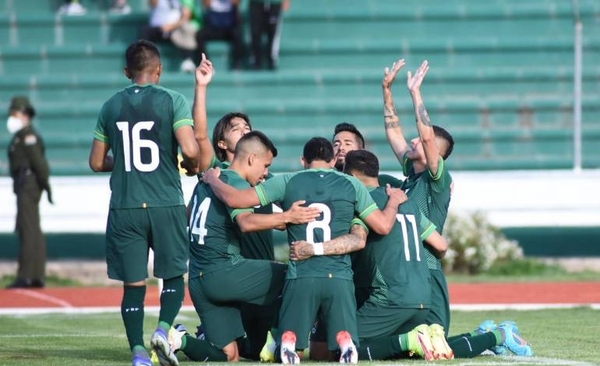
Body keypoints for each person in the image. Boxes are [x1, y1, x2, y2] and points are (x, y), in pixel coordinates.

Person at [201, 137, 408, 364]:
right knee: (341, 332)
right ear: (332, 161)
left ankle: (287, 339)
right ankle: (344, 339)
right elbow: (383, 226)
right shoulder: (352, 184)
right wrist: (393, 203)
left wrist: (213, 181)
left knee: (292, 328)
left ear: (303, 160)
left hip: (301, 274)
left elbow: (236, 198)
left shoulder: (287, 181)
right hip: (338, 276)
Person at [382, 59, 533, 358]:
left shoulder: (437, 180)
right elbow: (394, 132)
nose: (412, 141)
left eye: (421, 141)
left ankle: (498, 334)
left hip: (427, 271)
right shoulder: (411, 176)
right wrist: (386, 90)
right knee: (419, 347)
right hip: (407, 274)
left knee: (437, 350)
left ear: (433, 153)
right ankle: (486, 333)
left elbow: (424, 135)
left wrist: (415, 94)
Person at [88, 39, 202, 366]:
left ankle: (138, 352)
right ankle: (163, 331)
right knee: (173, 275)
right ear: (159, 69)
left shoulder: (110, 106)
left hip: (125, 205)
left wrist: (123, 161)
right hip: (165, 201)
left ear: (127, 72)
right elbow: (191, 151)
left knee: (133, 284)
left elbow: (96, 162)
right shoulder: (173, 100)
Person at [291, 149, 451, 361]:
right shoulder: (406, 201)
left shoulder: (364, 204)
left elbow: (357, 240)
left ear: (351, 177)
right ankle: (422, 337)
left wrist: (312, 249)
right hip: (424, 300)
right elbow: (441, 246)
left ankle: (410, 340)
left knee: (340, 347)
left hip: (392, 300)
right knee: (388, 350)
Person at [183, 131, 320, 362]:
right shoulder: (234, 181)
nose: (265, 173)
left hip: (197, 279)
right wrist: (288, 217)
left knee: (230, 355)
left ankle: (179, 340)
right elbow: (246, 222)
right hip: (223, 272)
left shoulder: (205, 182)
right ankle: (277, 340)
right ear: (250, 159)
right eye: (265, 165)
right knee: (296, 276)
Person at [5, 96, 52, 289]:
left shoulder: (28, 136)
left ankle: (27, 275)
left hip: (28, 185)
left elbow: (40, 164)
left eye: (15, 114)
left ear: (24, 115)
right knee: (29, 228)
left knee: (28, 229)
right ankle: (34, 275)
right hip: (24, 185)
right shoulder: (20, 136)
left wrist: (45, 185)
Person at [332, 122, 403, 188]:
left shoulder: (382, 182)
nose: (341, 148)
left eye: (347, 144)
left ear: (361, 151)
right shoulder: (326, 182)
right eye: (336, 144)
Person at [138, 0, 202, 73]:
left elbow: (185, 17)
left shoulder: (181, 2)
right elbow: (152, 3)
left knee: (187, 28)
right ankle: (142, 61)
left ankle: (187, 60)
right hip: (157, 28)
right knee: (145, 31)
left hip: (174, 29)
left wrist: (171, 26)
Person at [196, 0, 245, 70]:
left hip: (228, 28)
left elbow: (236, 2)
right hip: (213, 27)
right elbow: (205, 4)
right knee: (200, 35)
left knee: (237, 34)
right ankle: (206, 64)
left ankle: (237, 64)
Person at [248, 0, 290, 70]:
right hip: (256, 3)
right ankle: (256, 60)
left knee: (273, 31)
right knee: (255, 32)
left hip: (274, 3)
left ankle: (272, 59)